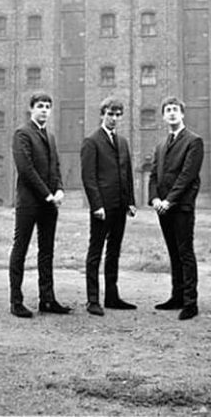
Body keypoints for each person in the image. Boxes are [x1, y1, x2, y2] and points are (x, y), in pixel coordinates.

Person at [9, 92, 71, 318]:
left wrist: (60, 189)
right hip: (29, 203)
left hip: (49, 204)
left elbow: (55, 166)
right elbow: (26, 169)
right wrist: (47, 194)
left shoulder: (50, 137)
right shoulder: (22, 134)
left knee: (47, 251)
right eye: (40, 106)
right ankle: (16, 302)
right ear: (31, 109)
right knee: (20, 249)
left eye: (47, 107)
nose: (44, 110)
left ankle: (47, 299)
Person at [148, 96, 204, 321]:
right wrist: (154, 199)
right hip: (162, 207)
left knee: (185, 252)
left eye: (175, 110)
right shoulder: (161, 145)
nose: (171, 113)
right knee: (173, 253)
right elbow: (154, 175)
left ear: (182, 114)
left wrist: (169, 200)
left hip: (180, 207)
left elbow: (187, 176)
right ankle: (176, 296)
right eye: (168, 110)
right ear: (163, 116)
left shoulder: (194, 141)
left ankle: (191, 302)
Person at [80, 97, 137, 317]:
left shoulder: (122, 142)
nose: (114, 118)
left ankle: (112, 297)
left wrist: (130, 201)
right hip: (102, 208)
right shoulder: (91, 141)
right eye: (110, 114)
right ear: (102, 114)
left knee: (114, 252)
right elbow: (89, 177)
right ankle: (92, 300)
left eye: (117, 114)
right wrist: (96, 205)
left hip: (120, 207)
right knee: (96, 251)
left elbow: (127, 173)